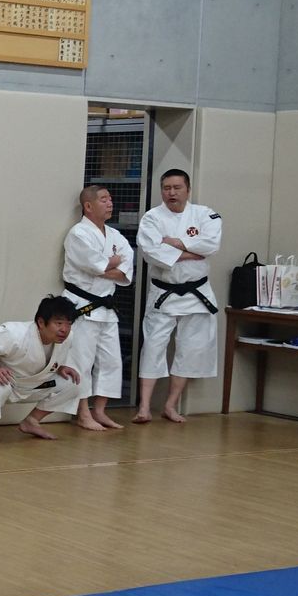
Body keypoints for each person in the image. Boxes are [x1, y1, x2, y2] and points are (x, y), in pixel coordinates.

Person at [133, 170, 221, 424]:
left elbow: (211, 245)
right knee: (153, 347)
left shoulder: (205, 214)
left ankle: (170, 406)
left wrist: (174, 243)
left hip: (197, 293)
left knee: (190, 350)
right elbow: (151, 252)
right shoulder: (152, 218)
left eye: (177, 187)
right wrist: (192, 251)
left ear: (188, 189)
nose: (171, 193)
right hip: (163, 292)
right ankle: (144, 407)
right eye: (166, 188)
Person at [61, 186, 134, 432]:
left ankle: (99, 411)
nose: (110, 203)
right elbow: (95, 265)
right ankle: (82, 413)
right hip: (82, 306)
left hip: (107, 308)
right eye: (104, 199)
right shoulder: (78, 233)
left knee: (112, 361)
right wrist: (110, 263)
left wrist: (107, 266)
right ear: (88, 206)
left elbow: (124, 268)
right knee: (81, 362)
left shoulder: (115, 235)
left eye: (110, 199)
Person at [0, 296, 84, 443]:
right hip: (4, 381)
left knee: (73, 382)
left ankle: (32, 421)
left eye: (69, 324)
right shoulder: (15, 333)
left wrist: (60, 367)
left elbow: (48, 358)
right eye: (59, 323)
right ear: (41, 322)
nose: (64, 329)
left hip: (33, 385)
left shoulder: (68, 337)